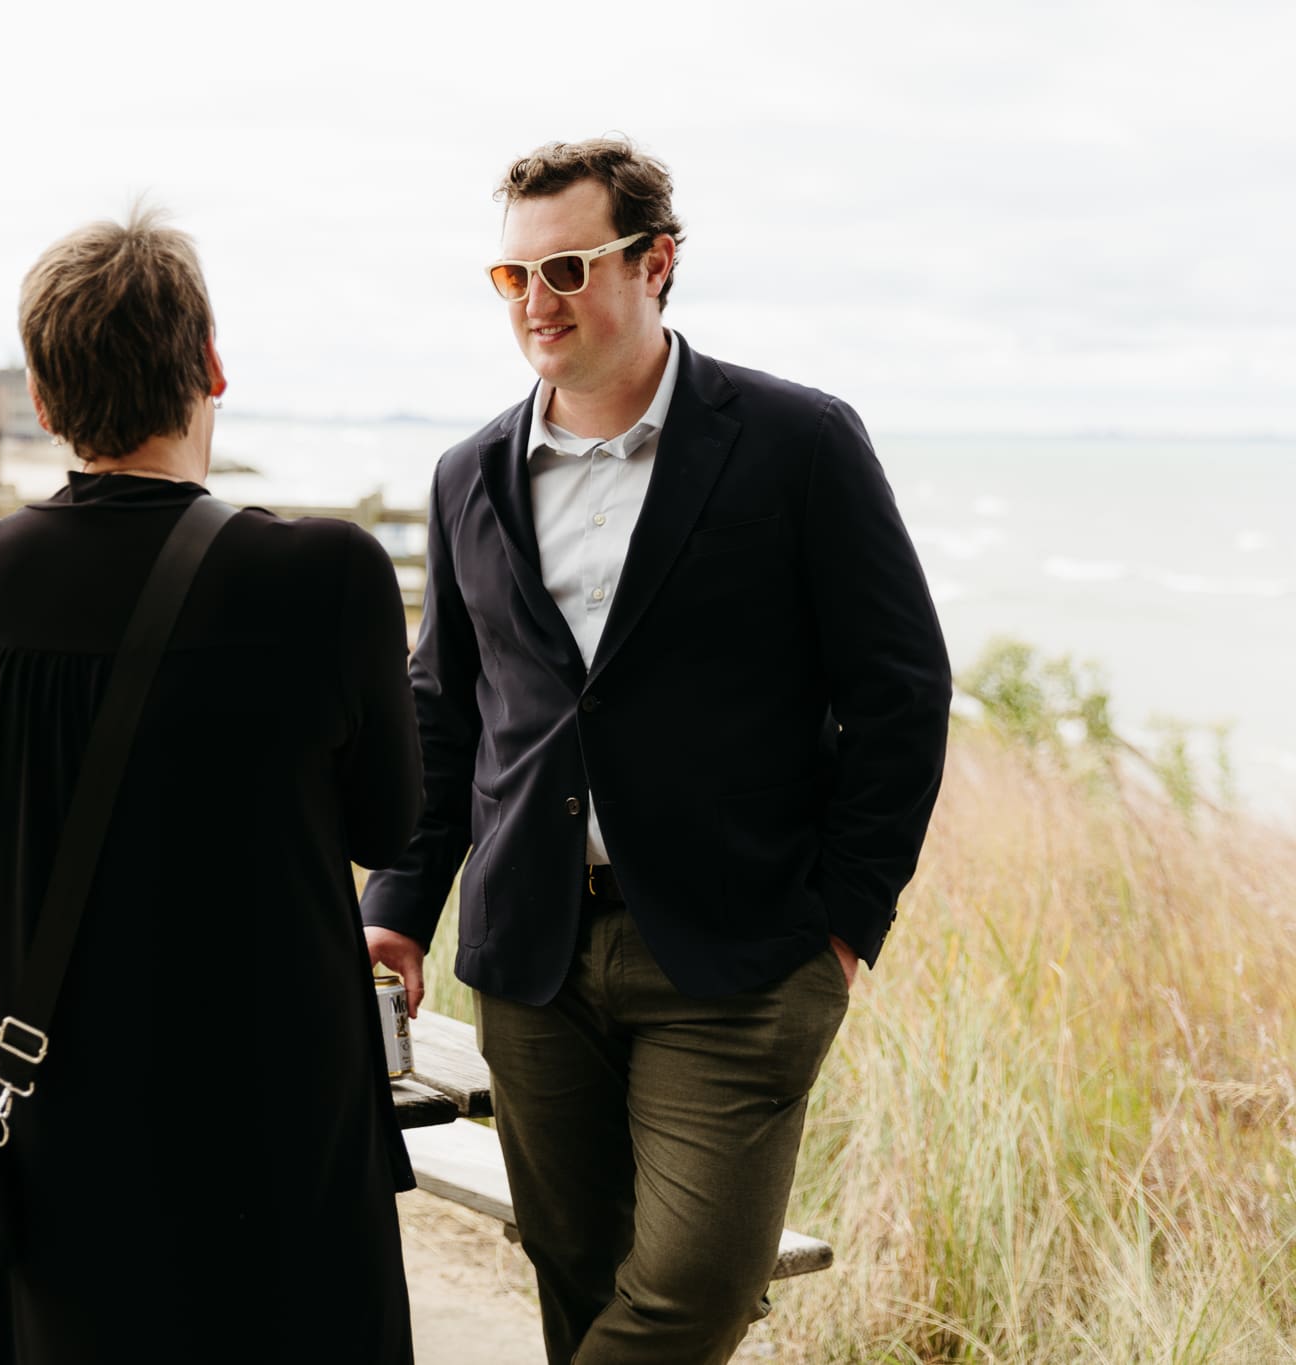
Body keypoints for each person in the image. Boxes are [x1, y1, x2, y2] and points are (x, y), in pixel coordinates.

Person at [361, 137, 954, 1365]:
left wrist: (842, 921)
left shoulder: (797, 442)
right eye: (511, 275)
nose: (537, 301)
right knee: (577, 1273)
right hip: (530, 954)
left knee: (688, 1286)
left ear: (656, 261)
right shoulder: (467, 473)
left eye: (569, 267)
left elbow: (898, 691)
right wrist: (402, 906)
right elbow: (445, 711)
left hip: (736, 958)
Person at [0, 208, 424, 1364]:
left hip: (50, 1122)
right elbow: (388, 823)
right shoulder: (328, 575)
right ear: (211, 366)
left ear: (40, 394)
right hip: (273, 1131)